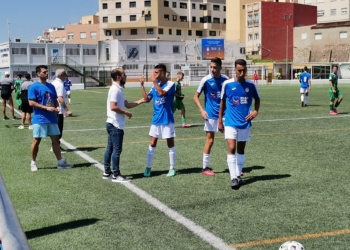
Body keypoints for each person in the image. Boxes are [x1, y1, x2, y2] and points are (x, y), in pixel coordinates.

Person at [218, 59, 260, 190]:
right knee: (231, 147)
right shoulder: (227, 84)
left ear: (246, 70)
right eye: (239, 70)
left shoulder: (251, 85)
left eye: (243, 70)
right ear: (235, 70)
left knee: (241, 149)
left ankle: (238, 176)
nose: (241, 73)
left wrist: (255, 111)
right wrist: (220, 121)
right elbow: (222, 103)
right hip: (230, 121)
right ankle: (233, 178)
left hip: (245, 122)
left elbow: (257, 99)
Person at [28, 65, 73, 172]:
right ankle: (33, 162)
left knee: (56, 141)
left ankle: (60, 162)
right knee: (36, 141)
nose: (46, 73)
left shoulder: (51, 86)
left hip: (52, 118)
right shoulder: (34, 87)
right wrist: (46, 108)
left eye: (47, 72)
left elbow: (55, 100)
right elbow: (31, 102)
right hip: (40, 119)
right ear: (38, 74)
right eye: (44, 72)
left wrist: (57, 107)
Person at [103, 68, 144, 182]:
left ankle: (107, 172)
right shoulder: (115, 90)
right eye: (124, 74)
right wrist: (125, 112)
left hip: (112, 123)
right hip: (115, 124)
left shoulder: (119, 89)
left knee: (110, 149)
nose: (126, 76)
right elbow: (113, 106)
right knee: (116, 150)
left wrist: (141, 101)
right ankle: (116, 175)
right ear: (118, 77)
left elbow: (127, 104)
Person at [193, 57, 229, 176]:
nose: (212, 69)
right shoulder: (206, 80)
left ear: (220, 68)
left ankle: (233, 167)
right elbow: (195, 97)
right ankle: (205, 168)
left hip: (225, 115)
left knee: (230, 140)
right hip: (210, 115)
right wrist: (202, 111)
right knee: (210, 140)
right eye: (211, 67)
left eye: (215, 67)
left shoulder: (226, 80)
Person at [140, 64, 177, 177]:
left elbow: (161, 93)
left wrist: (154, 82)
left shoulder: (171, 84)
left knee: (170, 143)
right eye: (154, 72)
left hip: (167, 119)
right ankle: (148, 167)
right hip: (156, 119)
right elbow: (147, 99)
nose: (154, 74)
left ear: (162, 73)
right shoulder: (155, 85)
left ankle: (172, 168)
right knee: (152, 143)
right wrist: (142, 85)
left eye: (156, 72)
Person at [51, 69, 72, 153]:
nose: (65, 76)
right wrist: (67, 109)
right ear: (61, 75)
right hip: (58, 110)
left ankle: (55, 146)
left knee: (56, 130)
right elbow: (60, 98)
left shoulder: (53, 83)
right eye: (64, 75)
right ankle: (56, 147)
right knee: (58, 130)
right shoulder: (59, 84)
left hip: (55, 109)